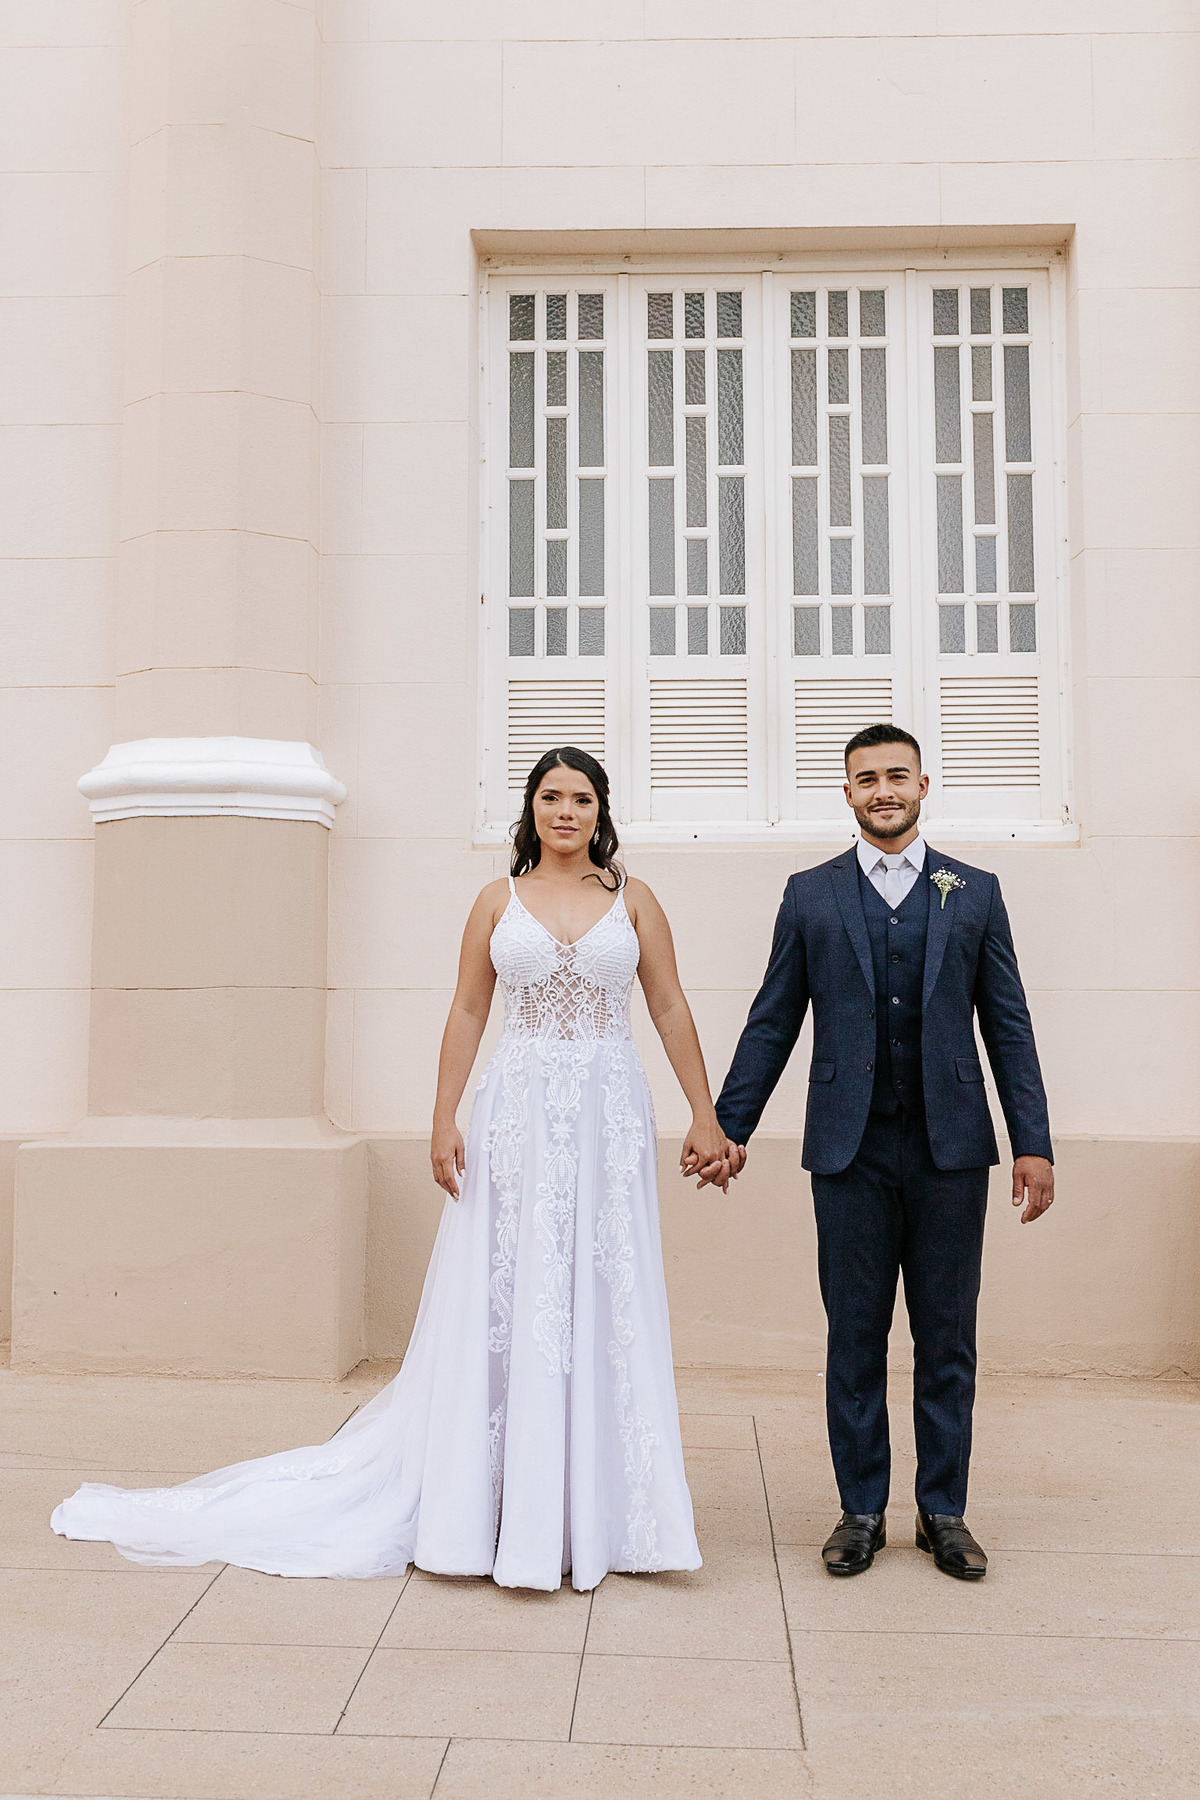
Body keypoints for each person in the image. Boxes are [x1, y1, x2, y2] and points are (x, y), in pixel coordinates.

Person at [52, 746, 739, 1592]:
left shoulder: (635, 901)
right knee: (510, 1290)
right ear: (531, 809)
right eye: (552, 797)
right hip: (516, 1113)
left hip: (608, 1117)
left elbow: (667, 1004)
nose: (567, 812)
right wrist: (443, 1117)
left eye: (582, 799)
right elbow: (469, 1008)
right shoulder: (497, 900)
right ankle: (489, 1504)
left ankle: (600, 1513)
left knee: (603, 1289)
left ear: (602, 812)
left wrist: (704, 1112)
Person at [713, 724, 1054, 1581]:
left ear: (923, 785)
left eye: (897, 775)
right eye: (866, 779)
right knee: (856, 1335)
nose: (883, 790)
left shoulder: (975, 892)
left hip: (951, 1151)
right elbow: (772, 1020)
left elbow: (1008, 1025)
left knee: (947, 1338)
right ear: (848, 793)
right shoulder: (810, 894)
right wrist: (728, 1126)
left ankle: (944, 1513)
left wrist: (1033, 1143)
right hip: (849, 1152)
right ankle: (861, 1509)